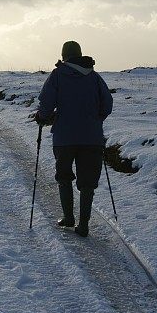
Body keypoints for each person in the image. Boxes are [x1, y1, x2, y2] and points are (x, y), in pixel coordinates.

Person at [35, 40, 113, 237]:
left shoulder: (58, 75)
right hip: (92, 137)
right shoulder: (94, 77)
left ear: (64, 55)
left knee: (64, 177)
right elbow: (107, 104)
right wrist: (95, 120)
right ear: (80, 54)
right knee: (87, 182)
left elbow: (46, 102)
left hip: (64, 137)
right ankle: (84, 225)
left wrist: (43, 118)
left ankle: (68, 217)